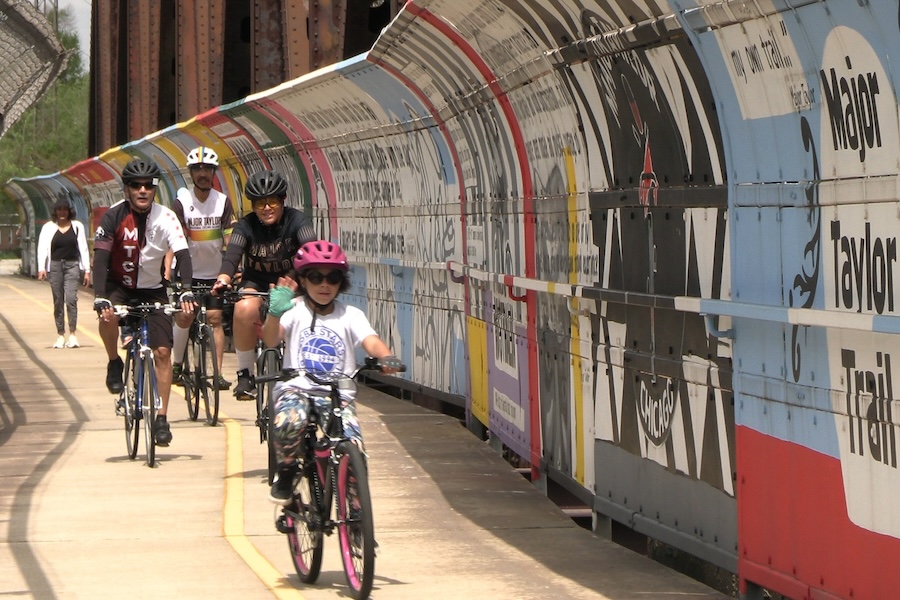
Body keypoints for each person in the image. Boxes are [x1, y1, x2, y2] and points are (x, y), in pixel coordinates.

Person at [261, 240, 402, 505]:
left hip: (337, 393)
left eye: (332, 277)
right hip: (297, 388)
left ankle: (358, 518)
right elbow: (270, 340)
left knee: (354, 449)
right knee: (290, 421)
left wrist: (386, 357)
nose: (324, 285)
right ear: (303, 280)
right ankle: (288, 470)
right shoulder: (294, 310)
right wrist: (274, 314)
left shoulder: (351, 314)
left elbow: (370, 340)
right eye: (315, 277)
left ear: (342, 282)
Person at [92, 158, 197, 446]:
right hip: (119, 286)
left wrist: (186, 290)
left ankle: (161, 418)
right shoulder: (113, 217)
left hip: (153, 289)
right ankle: (114, 361)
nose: (142, 191)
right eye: (136, 186)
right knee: (107, 316)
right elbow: (100, 258)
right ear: (127, 189)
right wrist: (101, 296)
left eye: (148, 186)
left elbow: (183, 255)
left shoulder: (166, 217)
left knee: (163, 351)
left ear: (154, 189)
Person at [211, 169, 316, 400]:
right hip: (255, 281)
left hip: (290, 282)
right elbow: (232, 256)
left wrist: (300, 279)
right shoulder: (245, 226)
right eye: (260, 203)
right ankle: (246, 374)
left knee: (300, 314)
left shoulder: (298, 220)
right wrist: (223, 279)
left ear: (283, 200)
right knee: (243, 308)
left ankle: (298, 370)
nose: (266, 208)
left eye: (272, 202)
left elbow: (310, 251)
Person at [170, 146, 237, 390]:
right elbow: (172, 241)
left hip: (214, 274)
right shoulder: (181, 202)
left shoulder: (222, 202)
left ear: (213, 172)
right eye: (198, 169)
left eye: (207, 169)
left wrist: (232, 267)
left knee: (215, 319)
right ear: (191, 173)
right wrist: (168, 272)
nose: (203, 174)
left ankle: (217, 374)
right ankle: (177, 363)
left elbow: (229, 239)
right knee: (185, 317)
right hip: (187, 274)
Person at [36, 197, 91, 348]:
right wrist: (41, 268)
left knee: (71, 299)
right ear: (55, 212)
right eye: (59, 210)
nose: (62, 213)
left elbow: (83, 248)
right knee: (58, 300)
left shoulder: (77, 226)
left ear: (69, 212)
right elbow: (42, 248)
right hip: (55, 266)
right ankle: (60, 334)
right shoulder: (49, 227)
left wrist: (87, 270)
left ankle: (72, 334)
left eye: (64, 210)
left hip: (72, 265)